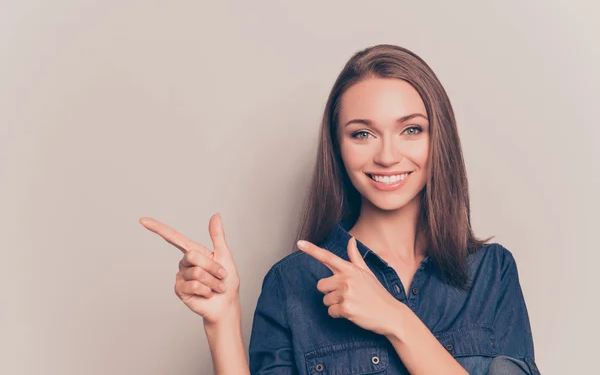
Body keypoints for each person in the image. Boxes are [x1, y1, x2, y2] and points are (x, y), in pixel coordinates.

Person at [140, 44, 541, 374]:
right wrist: (221, 323)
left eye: (411, 129)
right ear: (338, 147)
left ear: (439, 140)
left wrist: (396, 319)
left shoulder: (491, 273)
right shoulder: (292, 284)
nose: (387, 155)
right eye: (362, 133)